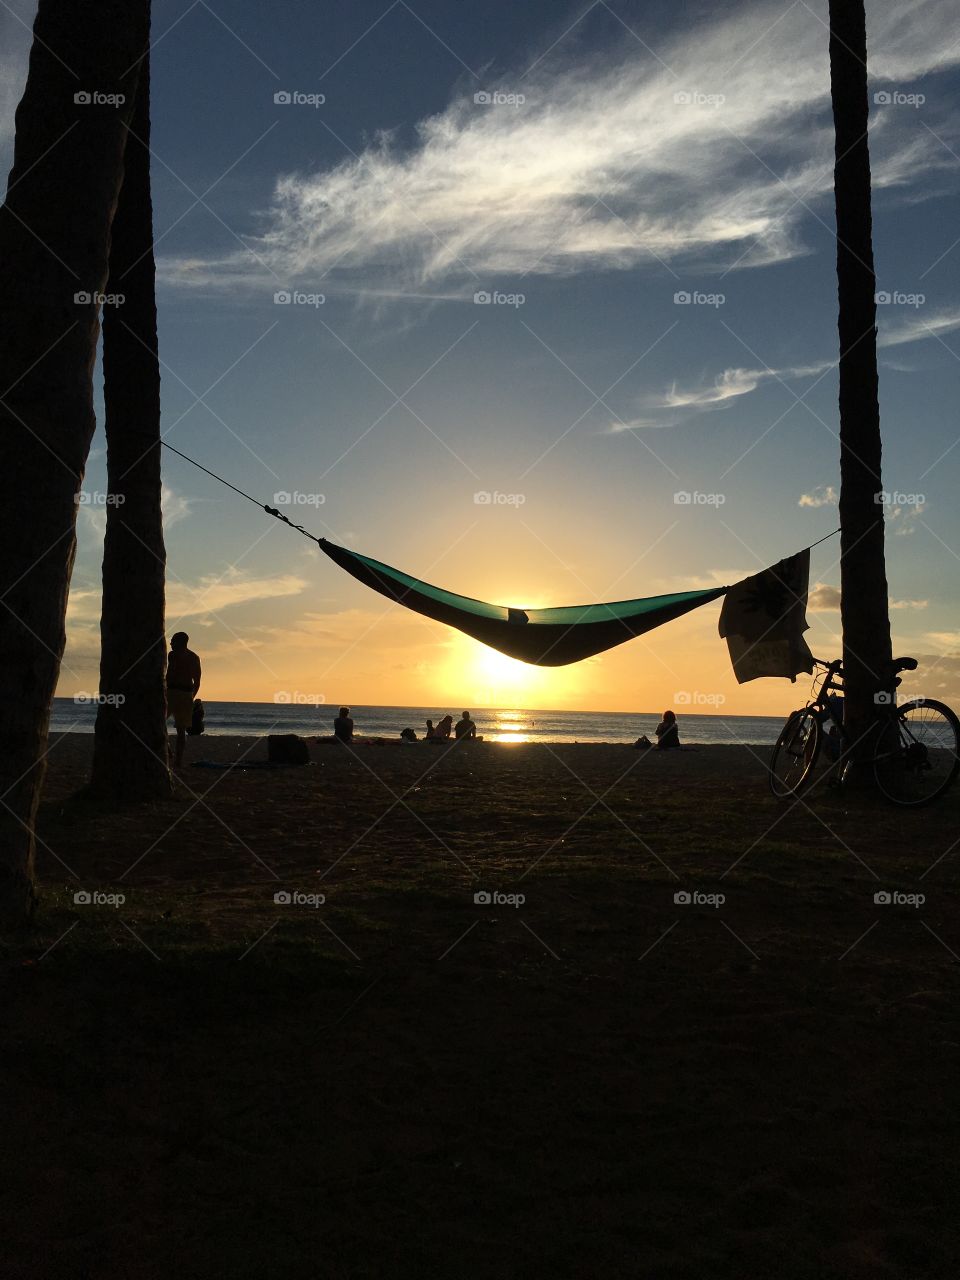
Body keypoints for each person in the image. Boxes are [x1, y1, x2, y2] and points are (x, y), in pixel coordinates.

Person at [166, 632, 202, 769]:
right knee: (159, 721)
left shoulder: (193, 658)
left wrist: (191, 698)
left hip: (185, 692)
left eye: (173, 641)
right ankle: (168, 749)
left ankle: (178, 761)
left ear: (181, 642)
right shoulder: (171, 655)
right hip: (170, 692)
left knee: (181, 729)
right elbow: (169, 674)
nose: (171, 644)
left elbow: (197, 681)